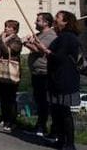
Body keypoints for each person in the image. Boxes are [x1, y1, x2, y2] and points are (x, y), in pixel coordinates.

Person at [33, 11, 82, 150]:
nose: (55, 19)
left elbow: (59, 58)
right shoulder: (61, 37)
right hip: (57, 78)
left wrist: (44, 50)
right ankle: (61, 140)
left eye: (58, 18)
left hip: (65, 79)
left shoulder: (68, 37)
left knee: (64, 113)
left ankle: (69, 143)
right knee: (57, 111)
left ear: (65, 22)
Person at [24, 12, 57, 136]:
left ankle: (44, 127)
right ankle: (40, 125)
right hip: (36, 72)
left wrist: (26, 43)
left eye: (38, 21)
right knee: (39, 100)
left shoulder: (50, 35)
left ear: (46, 23)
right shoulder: (38, 35)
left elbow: (39, 50)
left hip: (44, 72)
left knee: (44, 101)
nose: (35, 23)